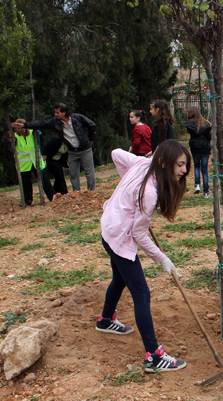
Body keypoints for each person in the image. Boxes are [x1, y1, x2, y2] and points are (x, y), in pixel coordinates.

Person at [96, 140, 191, 372]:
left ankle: (105, 320)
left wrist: (126, 195)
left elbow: (115, 152)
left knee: (120, 279)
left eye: (185, 165)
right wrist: (162, 259)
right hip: (119, 236)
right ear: (163, 162)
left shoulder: (141, 163)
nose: (184, 170)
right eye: (179, 164)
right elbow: (139, 234)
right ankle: (154, 356)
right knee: (141, 292)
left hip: (109, 225)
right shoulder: (148, 193)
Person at [13, 103, 96, 191]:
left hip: (85, 150)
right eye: (55, 113)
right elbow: (42, 123)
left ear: (64, 112)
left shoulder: (77, 118)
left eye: (57, 113)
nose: (55, 114)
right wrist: (25, 125)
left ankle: (91, 192)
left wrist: (89, 140)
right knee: (73, 174)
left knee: (89, 172)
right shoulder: (55, 122)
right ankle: (76, 192)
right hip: (72, 152)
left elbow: (92, 125)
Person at [13, 121, 53, 204]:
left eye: (22, 127)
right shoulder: (14, 136)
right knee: (26, 183)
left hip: (36, 161)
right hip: (24, 164)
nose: (20, 129)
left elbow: (42, 141)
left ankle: (52, 197)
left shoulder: (33, 132)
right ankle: (28, 200)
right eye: (18, 128)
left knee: (44, 180)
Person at [184, 108, 212, 197]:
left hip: (195, 147)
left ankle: (197, 186)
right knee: (204, 169)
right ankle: (206, 192)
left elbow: (191, 132)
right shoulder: (206, 124)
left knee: (196, 166)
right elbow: (209, 137)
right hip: (205, 147)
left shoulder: (189, 124)